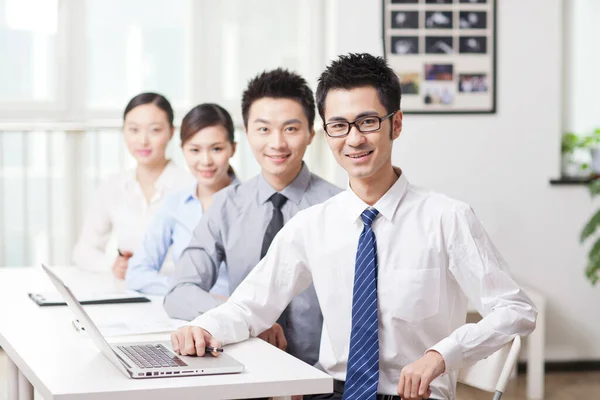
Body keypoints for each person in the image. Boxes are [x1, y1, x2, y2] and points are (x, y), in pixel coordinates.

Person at [170, 54, 537, 400]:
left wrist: (441, 355)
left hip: (412, 394)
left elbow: (516, 310)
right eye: (339, 126)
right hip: (330, 390)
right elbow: (250, 305)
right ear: (326, 133)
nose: (354, 138)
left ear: (396, 123)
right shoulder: (313, 225)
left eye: (367, 122)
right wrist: (205, 328)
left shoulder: (446, 218)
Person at [163, 69, 341, 366]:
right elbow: (178, 292)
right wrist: (245, 318)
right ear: (246, 133)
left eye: (290, 129)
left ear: (312, 132)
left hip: (322, 378)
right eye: (263, 129)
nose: (277, 143)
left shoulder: (338, 208)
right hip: (243, 367)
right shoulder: (226, 206)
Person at [72, 93, 193, 278]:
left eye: (154, 130)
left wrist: (145, 269)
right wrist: (114, 265)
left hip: (173, 291)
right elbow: (84, 251)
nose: (143, 140)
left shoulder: (190, 187)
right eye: (134, 130)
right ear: (124, 132)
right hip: (125, 293)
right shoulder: (112, 186)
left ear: (171, 132)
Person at [125, 103, 239, 296]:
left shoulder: (254, 203)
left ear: (233, 149)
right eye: (194, 150)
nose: (205, 161)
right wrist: (189, 292)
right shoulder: (175, 204)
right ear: (183, 150)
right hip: (186, 317)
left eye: (216, 149)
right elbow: (137, 273)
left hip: (240, 318)